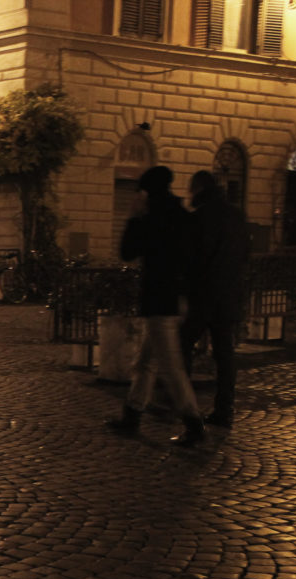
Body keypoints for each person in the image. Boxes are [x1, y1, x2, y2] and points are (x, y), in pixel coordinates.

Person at [107, 165, 205, 446]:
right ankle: (133, 412)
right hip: (176, 297)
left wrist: (133, 217)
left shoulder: (151, 218)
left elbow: (127, 252)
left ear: (146, 191)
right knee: (146, 361)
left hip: (159, 300)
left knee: (170, 366)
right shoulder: (181, 215)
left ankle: (193, 422)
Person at [182, 170, 250, 428]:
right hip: (229, 294)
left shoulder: (199, 218)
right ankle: (224, 409)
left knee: (182, 346)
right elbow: (245, 254)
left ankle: (186, 405)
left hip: (203, 295)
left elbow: (191, 260)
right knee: (225, 354)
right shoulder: (237, 216)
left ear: (198, 189)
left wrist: (186, 292)